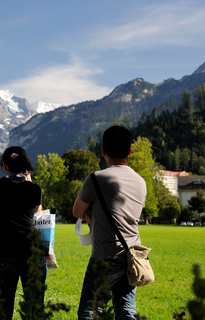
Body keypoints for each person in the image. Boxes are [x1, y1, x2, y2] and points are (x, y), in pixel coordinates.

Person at [73, 125, 147, 320]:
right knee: (126, 311)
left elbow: (77, 211)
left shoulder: (96, 179)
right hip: (132, 255)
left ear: (103, 150)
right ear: (130, 152)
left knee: (88, 312)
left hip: (105, 255)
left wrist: (91, 214)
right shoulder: (141, 182)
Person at [0, 146, 47, 320]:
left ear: (4, 165)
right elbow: (37, 212)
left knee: (3, 311)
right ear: (25, 166)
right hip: (33, 254)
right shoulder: (34, 189)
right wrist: (28, 178)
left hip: (6, 253)